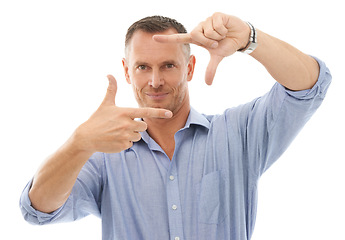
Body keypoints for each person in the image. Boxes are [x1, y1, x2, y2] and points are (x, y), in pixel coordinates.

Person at [20, 12, 331, 240]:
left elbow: (309, 86)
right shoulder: (104, 157)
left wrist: (250, 37)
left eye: (168, 65)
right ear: (128, 72)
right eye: (143, 67)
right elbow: (37, 209)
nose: (155, 81)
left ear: (190, 68)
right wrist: (79, 142)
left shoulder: (236, 135)